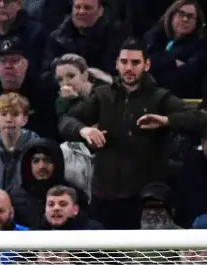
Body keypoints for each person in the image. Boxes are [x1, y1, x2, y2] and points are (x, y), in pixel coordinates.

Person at [59, 40, 207, 230]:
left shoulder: (160, 97)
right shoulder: (102, 96)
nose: (129, 68)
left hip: (144, 198)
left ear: (146, 65)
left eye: (135, 63)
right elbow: (66, 121)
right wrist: (84, 130)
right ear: (116, 64)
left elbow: (200, 118)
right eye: (124, 62)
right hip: (105, 195)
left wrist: (167, 120)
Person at [0, 93, 40, 194]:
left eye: (15, 114)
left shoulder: (37, 147)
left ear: (25, 120)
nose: (9, 120)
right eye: (4, 114)